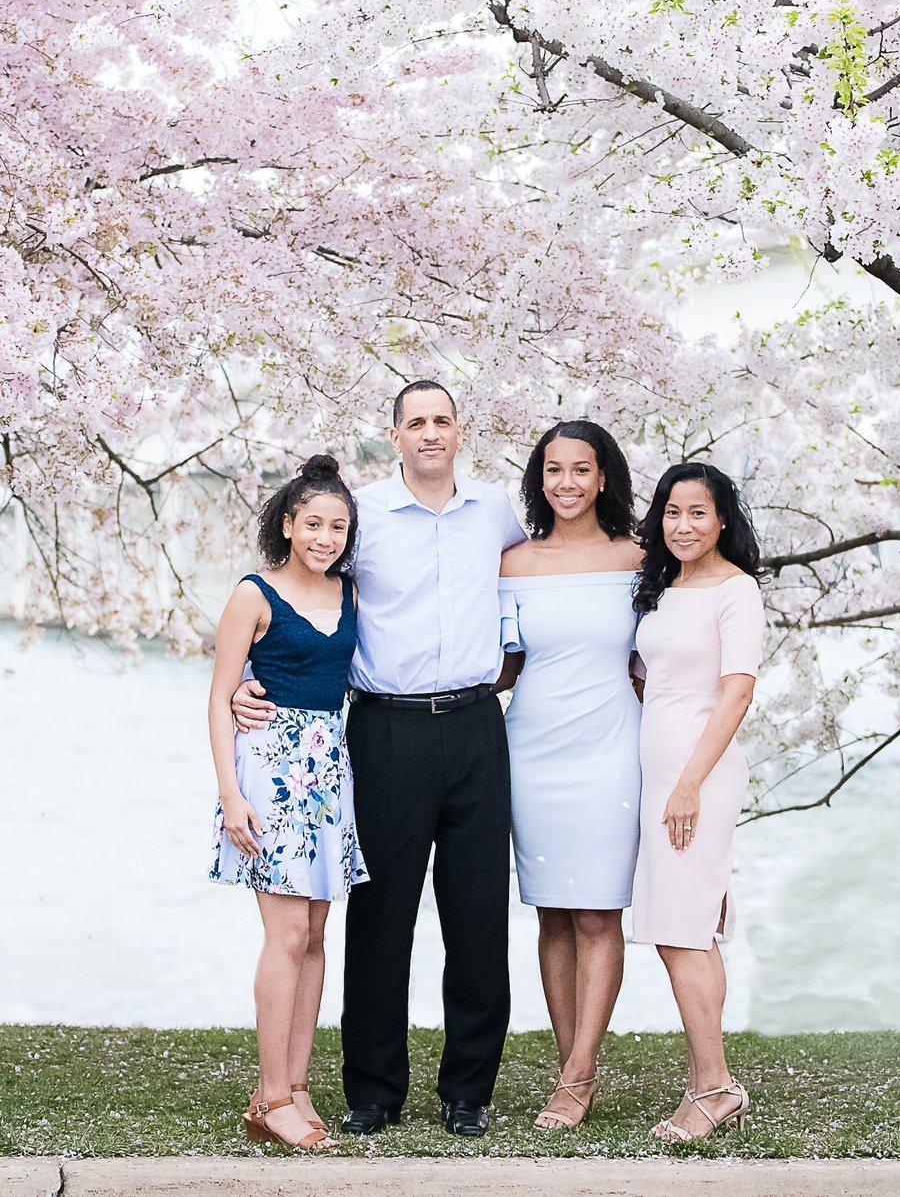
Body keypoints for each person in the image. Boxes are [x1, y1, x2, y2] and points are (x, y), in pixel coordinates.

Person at [233, 381, 524, 1136]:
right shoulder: (357, 517)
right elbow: (302, 597)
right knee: (379, 917)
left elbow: (534, 592)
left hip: (473, 725)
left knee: (477, 915)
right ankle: (373, 1092)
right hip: (383, 731)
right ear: (394, 435)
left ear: (462, 433)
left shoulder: (496, 513)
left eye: (443, 421)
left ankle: (468, 1091)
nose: (430, 433)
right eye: (415, 422)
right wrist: (247, 686)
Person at [207, 454, 367, 1152]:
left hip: (330, 769)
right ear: (288, 524)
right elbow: (219, 698)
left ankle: (293, 1087)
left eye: (338, 526)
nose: (325, 537)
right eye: (313, 524)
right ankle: (273, 1096)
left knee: (316, 936)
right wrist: (230, 796)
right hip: (270, 773)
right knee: (286, 936)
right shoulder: (253, 594)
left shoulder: (352, 594)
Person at [493, 419, 645, 1130]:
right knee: (553, 909)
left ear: (603, 476)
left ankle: (580, 1075)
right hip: (533, 748)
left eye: (581, 469)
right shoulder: (516, 563)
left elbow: (658, 660)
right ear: (539, 479)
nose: (567, 483)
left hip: (611, 744)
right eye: (554, 470)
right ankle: (572, 1072)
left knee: (597, 910)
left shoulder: (639, 558)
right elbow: (503, 667)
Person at [626, 460, 765, 1142]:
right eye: (672, 513)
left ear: (722, 521)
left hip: (698, 777)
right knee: (680, 931)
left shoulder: (736, 592)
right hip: (661, 773)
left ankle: (714, 1087)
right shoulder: (665, 587)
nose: (683, 525)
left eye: (698, 513)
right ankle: (710, 1082)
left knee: (683, 932)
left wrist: (687, 783)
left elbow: (737, 693)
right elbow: (655, 675)